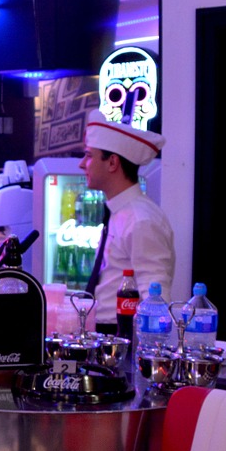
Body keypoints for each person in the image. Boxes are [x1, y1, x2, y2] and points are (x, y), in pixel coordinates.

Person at [79, 110, 174, 333]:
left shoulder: (141, 220)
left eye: (89, 155)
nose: (82, 164)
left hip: (121, 337)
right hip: (102, 333)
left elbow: (156, 300)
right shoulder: (119, 212)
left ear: (112, 162)